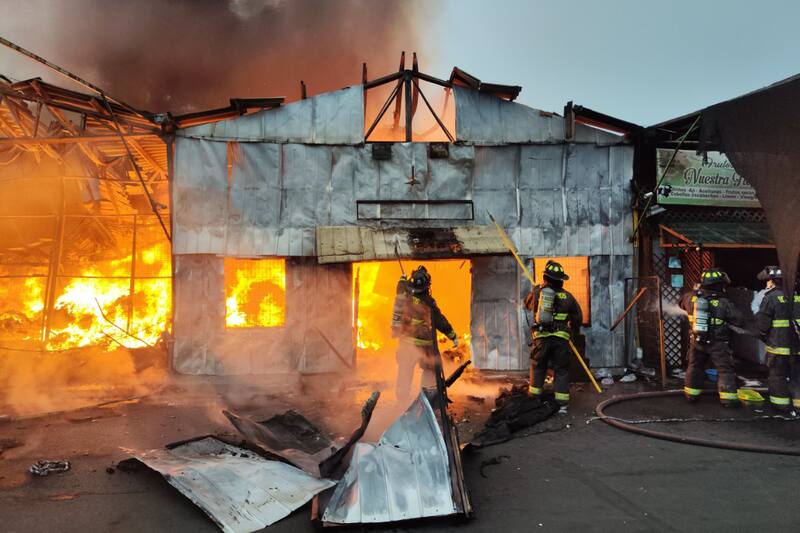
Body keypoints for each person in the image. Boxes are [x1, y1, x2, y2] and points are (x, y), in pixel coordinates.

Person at [391, 265, 458, 400]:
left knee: (405, 370)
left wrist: (402, 280)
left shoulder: (404, 295)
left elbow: (400, 288)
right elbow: (439, 320)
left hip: (406, 344)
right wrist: (452, 335)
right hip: (424, 345)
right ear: (427, 285)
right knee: (430, 369)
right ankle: (426, 397)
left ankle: (401, 399)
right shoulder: (428, 302)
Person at [682, 268, 745, 406]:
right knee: (725, 370)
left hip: (697, 341)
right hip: (718, 343)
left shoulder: (690, 297)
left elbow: (681, 304)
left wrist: (694, 293)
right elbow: (739, 320)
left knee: (695, 366)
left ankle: (691, 395)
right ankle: (728, 400)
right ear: (718, 285)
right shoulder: (724, 302)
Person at [524, 260, 583, 407]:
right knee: (561, 369)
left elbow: (527, 304)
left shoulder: (538, 293)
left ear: (545, 278)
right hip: (561, 339)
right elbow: (578, 318)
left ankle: (534, 397)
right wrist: (572, 331)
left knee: (538, 366)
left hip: (541, 338)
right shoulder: (568, 296)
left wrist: (536, 291)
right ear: (561, 281)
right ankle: (561, 401)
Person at [754, 266, 800, 410]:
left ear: (773, 281)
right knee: (797, 376)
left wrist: (761, 334)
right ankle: (798, 403)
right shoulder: (798, 297)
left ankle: (781, 404)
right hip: (797, 348)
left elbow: (763, 323)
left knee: (778, 376)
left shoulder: (771, 297)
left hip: (778, 347)